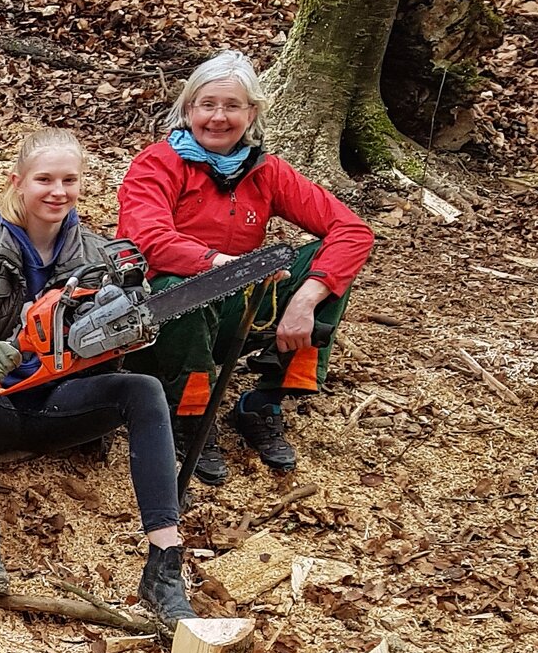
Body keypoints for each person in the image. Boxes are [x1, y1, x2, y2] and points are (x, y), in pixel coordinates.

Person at [0, 128, 197, 624]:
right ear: (18, 181)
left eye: (69, 179)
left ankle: (164, 562)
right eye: (45, 179)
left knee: (144, 389)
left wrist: (116, 337)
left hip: (63, 404)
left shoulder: (98, 257)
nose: (57, 191)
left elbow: (114, 359)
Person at [118, 49, 373, 485]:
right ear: (188, 109)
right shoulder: (158, 163)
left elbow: (352, 230)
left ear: (251, 112)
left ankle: (264, 401)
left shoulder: (267, 170)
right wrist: (223, 266)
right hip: (158, 315)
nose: (218, 118)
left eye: (232, 106)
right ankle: (190, 416)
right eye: (207, 105)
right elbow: (148, 240)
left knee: (325, 267)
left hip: (236, 306)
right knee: (185, 287)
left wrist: (306, 299)